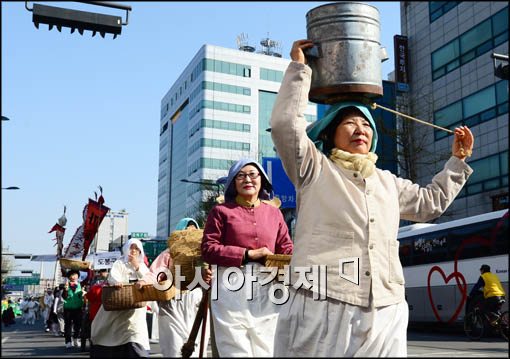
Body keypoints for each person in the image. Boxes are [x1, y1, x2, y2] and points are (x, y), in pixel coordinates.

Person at [269, 39, 475, 357]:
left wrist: (457, 162)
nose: (360, 128)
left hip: (386, 304)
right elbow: (286, 126)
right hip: (323, 298)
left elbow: (430, 203)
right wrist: (299, 69)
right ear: (329, 132)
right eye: (349, 122)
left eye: (366, 123)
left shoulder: (387, 182)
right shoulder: (313, 168)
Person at [201, 158, 294, 357]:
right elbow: (208, 248)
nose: (247, 179)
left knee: (268, 347)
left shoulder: (274, 214)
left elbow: (286, 248)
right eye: (240, 176)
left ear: (262, 180)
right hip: (230, 286)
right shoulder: (221, 212)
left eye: (253, 174)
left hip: (268, 287)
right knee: (235, 348)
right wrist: (248, 254)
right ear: (233, 183)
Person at [138, 217, 211, 358]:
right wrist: (143, 281)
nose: (190, 232)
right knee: (174, 348)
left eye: (193, 229)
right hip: (173, 304)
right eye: (187, 229)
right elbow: (154, 273)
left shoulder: (203, 254)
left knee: (196, 350)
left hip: (196, 304)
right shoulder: (169, 252)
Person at [90, 238, 151, 358]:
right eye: (131, 248)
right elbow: (113, 277)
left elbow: (148, 278)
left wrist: (136, 266)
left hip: (136, 311)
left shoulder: (142, 266)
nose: (133, 251)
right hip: (118, 307)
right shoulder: (119, 263)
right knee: (113, 334)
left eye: (136, 248)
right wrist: (117, 283)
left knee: (135, 336)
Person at [62, 269, 85, 349]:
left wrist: (83, 293)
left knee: (78, 325)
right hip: (68, 308)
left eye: (75, 275)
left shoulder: (81, 285)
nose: (74, 277)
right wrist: (65, 290)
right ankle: (68, 341)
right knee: (68, 325)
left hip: (78, 308)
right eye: (72, 275)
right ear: (69, 277)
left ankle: (75, 338)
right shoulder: (66, 285)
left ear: (78, 276)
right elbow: (63, 297)